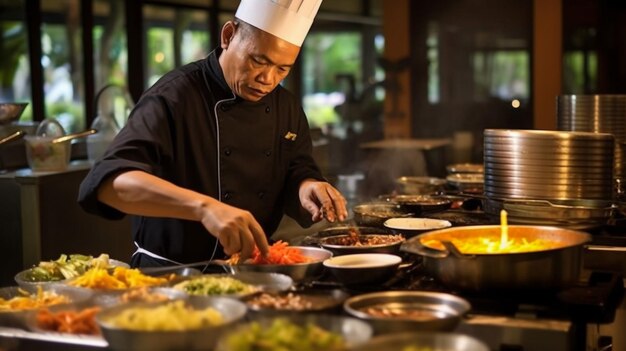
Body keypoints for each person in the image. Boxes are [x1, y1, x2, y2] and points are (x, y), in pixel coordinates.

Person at [78, 0, 347, 267]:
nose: (267, 79)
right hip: (171, 275)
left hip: (251, 270)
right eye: (257, 61)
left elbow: (296, 168)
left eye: (282, 69)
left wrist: (307, 186)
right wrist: (203, 207)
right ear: (228, 36)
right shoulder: (174, 96)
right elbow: (109, 184)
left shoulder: (285, 105)